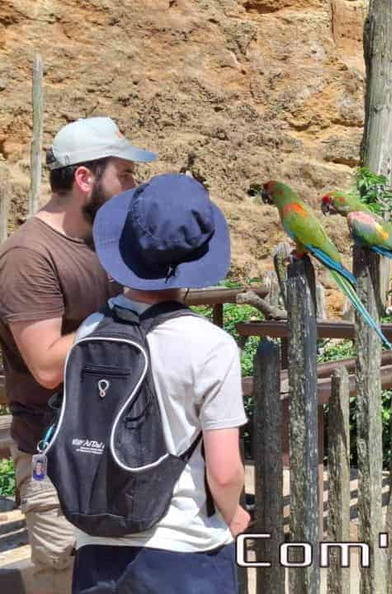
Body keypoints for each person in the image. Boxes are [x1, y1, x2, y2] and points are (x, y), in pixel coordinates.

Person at [70, 173, 250, 593]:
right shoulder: (211, 346)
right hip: (185, 552)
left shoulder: (90, 331)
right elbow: (224, 472)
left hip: (98, 547)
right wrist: (235, 515)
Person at [0, 116, 156, 593]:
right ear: (85, 178)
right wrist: (118, 317)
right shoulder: (30, 256)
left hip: (118, 452)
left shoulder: (102, 242)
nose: (132, 185)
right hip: (60, 462)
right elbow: (47, 365)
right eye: (124, 174)